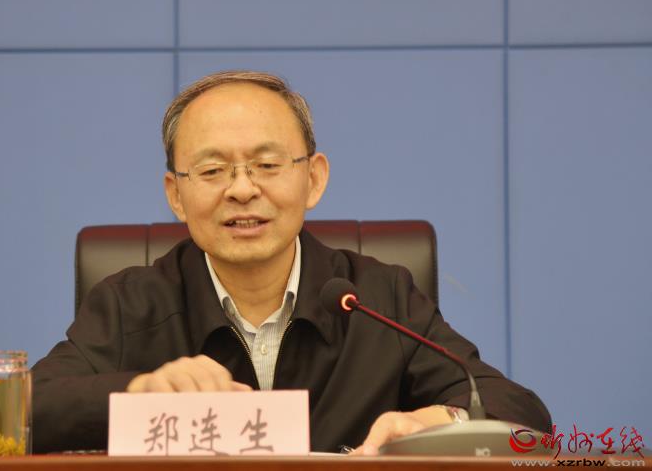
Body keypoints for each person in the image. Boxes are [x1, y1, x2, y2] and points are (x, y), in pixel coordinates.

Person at [32, 70, 551, 454]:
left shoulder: (379, 297)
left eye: (267, 164)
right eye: (212, 170)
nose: (242, 189)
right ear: (175, 195)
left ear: (314, 179)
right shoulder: (129, 304)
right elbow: (26, 413)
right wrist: (137, 393)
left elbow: (523, 415)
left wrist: (436, 423)